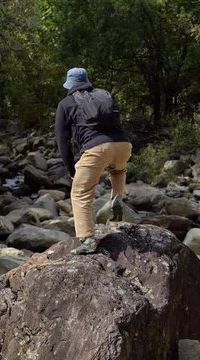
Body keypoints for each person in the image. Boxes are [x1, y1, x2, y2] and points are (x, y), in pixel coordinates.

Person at [54, 67, 132, 254]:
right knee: (118, 170)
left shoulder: (66, 103)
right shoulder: (103, 96)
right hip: (123, 145)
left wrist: (72, 169)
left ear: (70, 84)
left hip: (97, 149)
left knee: (80, 193)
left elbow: (62, 140)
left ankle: (87, 239)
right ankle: (118, 199)